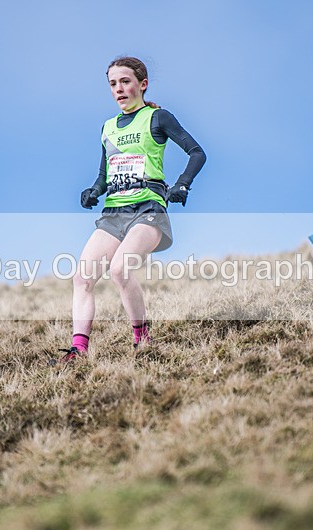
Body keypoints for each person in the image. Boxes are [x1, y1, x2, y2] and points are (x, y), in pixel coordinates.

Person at [61, 57, 206, 362]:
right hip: (114, 214)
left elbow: (197, 153)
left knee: (119, 269)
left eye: (125, 81)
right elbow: (104, 175)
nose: (119, 89)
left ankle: (142, 338)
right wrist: (93, 191)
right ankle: (78, 351)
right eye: (113, 84)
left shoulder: (158, 118)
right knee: (82, 278)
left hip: (148, 210)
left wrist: (182, 184)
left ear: (142, 84)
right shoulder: (108, 127)